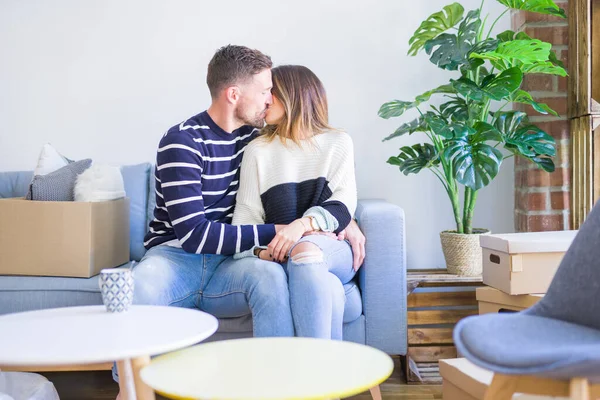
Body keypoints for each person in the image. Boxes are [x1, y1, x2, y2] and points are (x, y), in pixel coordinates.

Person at [232, 64, 359, 340]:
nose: (264, 99)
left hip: (334, 251)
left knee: (306, 249)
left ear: (292, 95)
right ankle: (318, 377)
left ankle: (311, 377)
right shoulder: (257, 151)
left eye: (270, 92)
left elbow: (343, 205)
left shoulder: (338, 142)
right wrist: (266, 250)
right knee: (308, 258)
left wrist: (299, 227)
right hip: (283, 253)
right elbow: (244, 223)